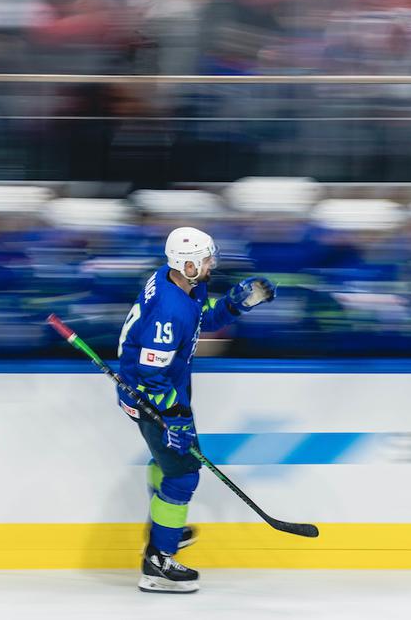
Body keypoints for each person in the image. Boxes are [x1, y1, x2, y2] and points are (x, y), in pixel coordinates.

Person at [117, 226, 276, 593]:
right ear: (187, 265)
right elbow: (150, 373)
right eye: (206, 259)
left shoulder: (179, 284)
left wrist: (235, 305)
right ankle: (158, 561)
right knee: (185, 474)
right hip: (149, 395)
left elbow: (201, 319)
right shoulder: (168, 310)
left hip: (160, 389)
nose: (212, 263)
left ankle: (163, 523)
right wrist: (174, 418)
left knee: (168, 464)